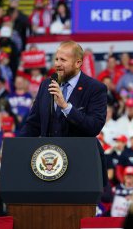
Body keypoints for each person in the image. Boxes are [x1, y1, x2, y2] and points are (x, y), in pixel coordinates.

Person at [20, 41, 108, 184]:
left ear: (78, 63)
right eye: (56, 59)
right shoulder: (46, 85)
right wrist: (17, 148)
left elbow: (94, 126)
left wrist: (66, 107)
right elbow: (33, 124)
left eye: (63, 60)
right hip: (50, 167)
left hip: (81, 166)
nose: (57, 64)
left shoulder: (95, 88)